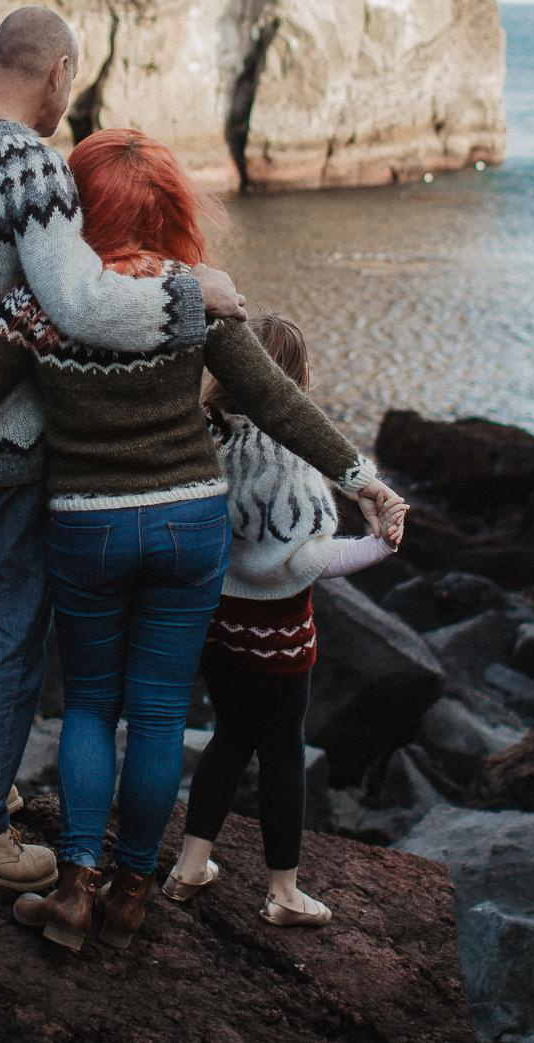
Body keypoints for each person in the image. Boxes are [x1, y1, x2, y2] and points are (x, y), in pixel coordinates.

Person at [0, 129, 406, 952]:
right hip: (190, 523)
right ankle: (132, 887)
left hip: (85, 523)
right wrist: (362, 479)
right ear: (174, 208)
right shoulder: (195, 298)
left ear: (78, 204)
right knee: (159, 713)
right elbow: (275, 400)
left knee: (90, 705)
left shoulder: (40, 300)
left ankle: (76, 886)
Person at [0, 7, 249, 893]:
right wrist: (193, 295)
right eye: (73, 83)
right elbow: (84, 306)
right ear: (59, 72)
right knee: (7, 626)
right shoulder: (34, 170)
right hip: (9, 444)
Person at [164, 312, 400, 927]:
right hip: (279, 634)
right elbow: (314, 559)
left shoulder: (204, 433)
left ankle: (190, 866)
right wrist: (383, 544)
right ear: (293, 378)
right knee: (283, 753)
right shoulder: (288, 455)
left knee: (229, 736)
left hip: (217, 623)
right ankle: (284, 893)